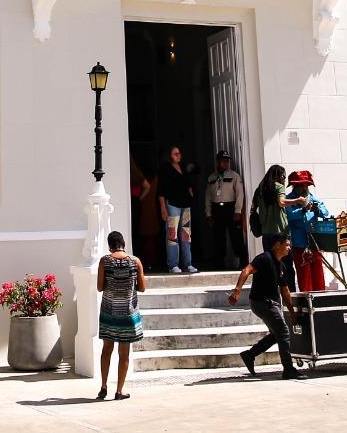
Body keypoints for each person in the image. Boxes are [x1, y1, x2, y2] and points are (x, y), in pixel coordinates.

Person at [227, 234, 300, 379]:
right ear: (277, 245)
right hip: (262, 302)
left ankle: (249, 355)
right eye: (286, 245)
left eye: (289, 245)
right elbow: (246, 270)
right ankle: (288, 369)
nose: (289, 248)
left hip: (271, 303)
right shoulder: (264, 258)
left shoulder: (282, 266)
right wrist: (237, 290)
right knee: (283, 332)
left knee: (276, 335)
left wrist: (291, 311)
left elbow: (285, 290)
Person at [96, 230, 147, 401]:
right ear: (123, 244)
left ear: (110, 245)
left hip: (109, 311)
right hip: (127, 313)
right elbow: (142, 287)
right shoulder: (135, 261)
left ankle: (103, 387)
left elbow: (99, 287)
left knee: (106, 350)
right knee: (124, 354)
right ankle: (119, 390)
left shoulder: (104, 261)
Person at [285, 170, 332, 293]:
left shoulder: (313, 198)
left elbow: (326, 213)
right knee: (304, 276)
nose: (304, 187)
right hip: (299, 243)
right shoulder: (288, 199)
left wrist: (317, 210)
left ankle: (320, 300)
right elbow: (288, 215)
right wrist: (303, 210)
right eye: (301, 185)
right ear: (295, 186)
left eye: (306, 185)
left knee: (318, 274)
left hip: (314, 243)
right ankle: (307, 303)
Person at [157, 145, 198, 274]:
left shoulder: (183, 168)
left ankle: (188, 263)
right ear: (170, 156)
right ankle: (173, 264)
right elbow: (161, 191)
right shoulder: (165, 169)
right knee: (172, 235)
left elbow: (189, 183)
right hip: (172, 205)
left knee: (186, 235)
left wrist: (191, 194)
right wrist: (163, 208)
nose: (178, 155)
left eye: (179, 153)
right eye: (175, 153)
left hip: (185, 205)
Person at [205, 151, 246, 270]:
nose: (226, 163)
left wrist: (238, 211)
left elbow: (240, 195)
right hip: (217, 210)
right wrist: (208, 214)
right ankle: (219, 263)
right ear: (218, 162)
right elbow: (207, 197)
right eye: (223, 161)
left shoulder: (234, 176)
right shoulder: (211, 177)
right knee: (218, 238)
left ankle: (242, 261)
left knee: (236, 236)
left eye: (227, 161)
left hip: (231, 208)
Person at [253, 163, 304, 242]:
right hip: (280, 231)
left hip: (266, 232)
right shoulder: (279, 186)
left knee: (269, 254)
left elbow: (253, 208)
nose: (284, 178)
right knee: (285, 254)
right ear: (277, 176)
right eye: (283, 175)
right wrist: (298, 200)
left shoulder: (260, 189)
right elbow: (282, 202)